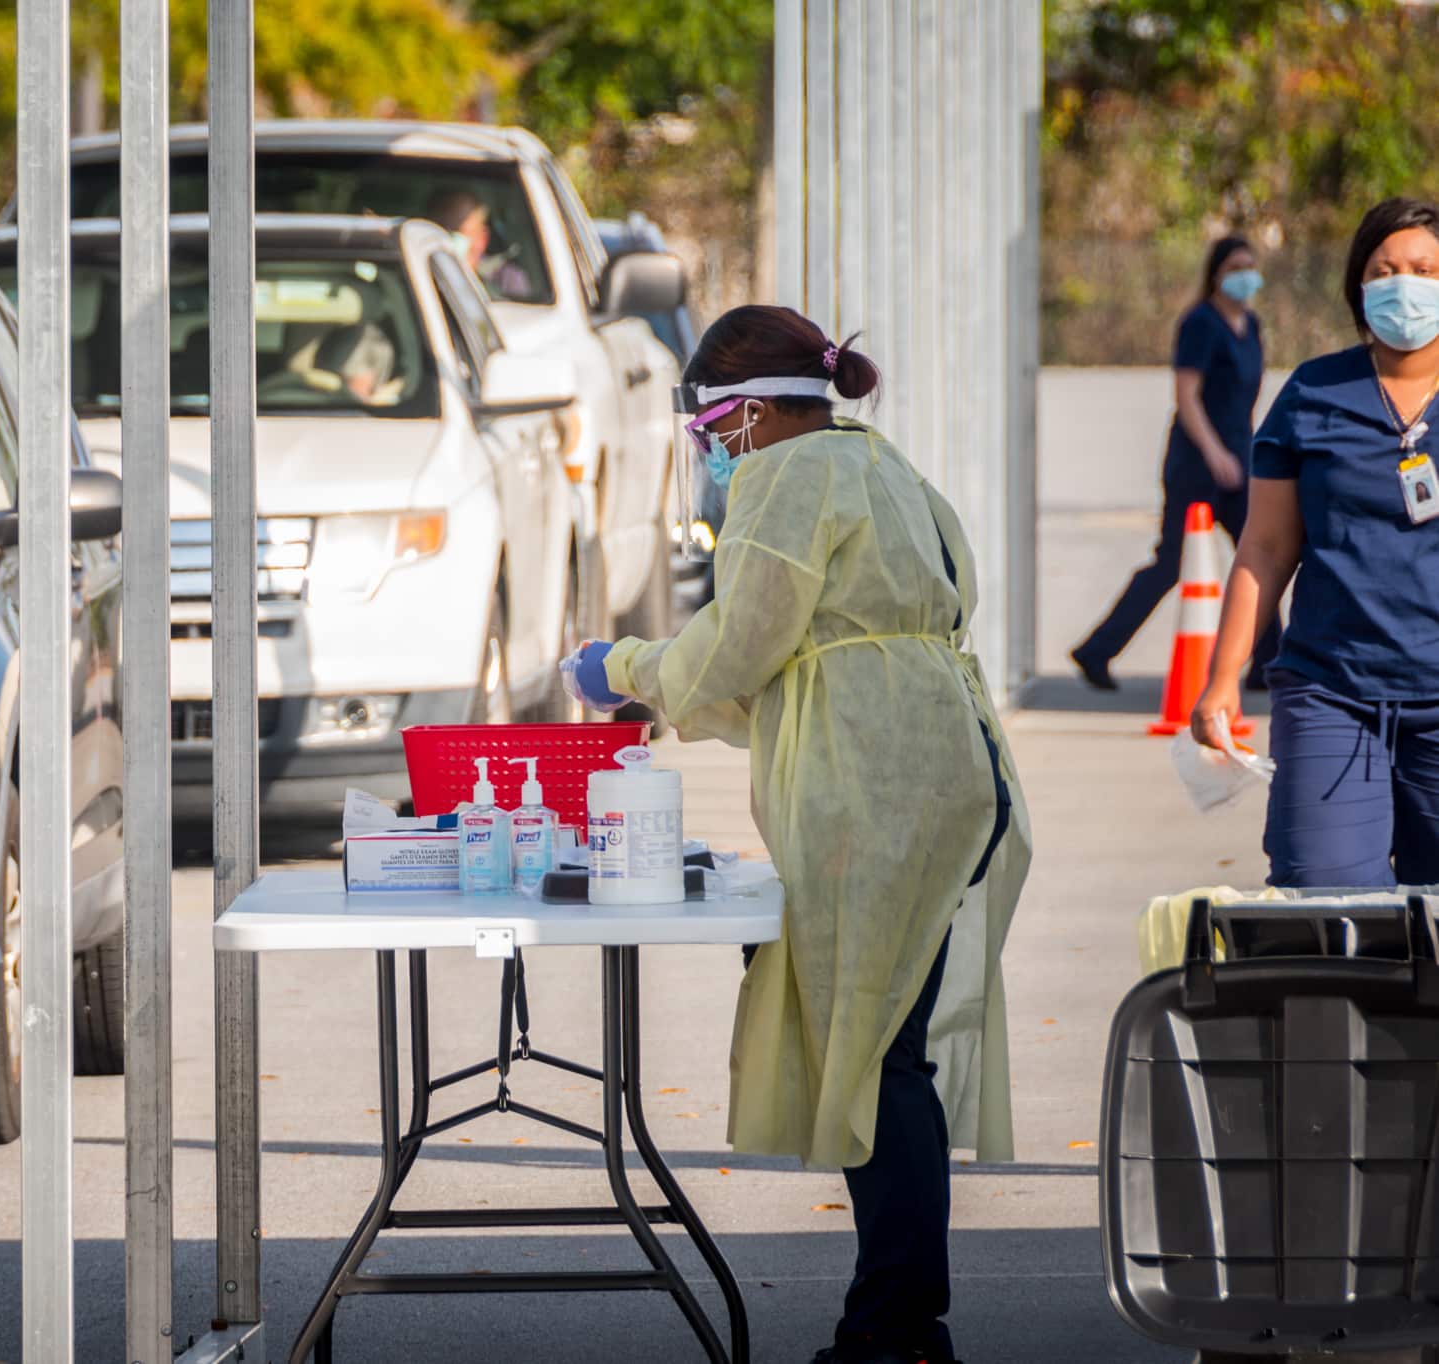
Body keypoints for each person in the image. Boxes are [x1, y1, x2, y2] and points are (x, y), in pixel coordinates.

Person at [563, 306, 1029, 1364]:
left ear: (758, 409)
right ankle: (900, 1322)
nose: (713, 452)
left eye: (716, 427)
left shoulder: (786, 475)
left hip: (874, 785)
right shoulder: (886, 462)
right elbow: (815, 649)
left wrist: (624, 668)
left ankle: (898, 1331)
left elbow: (741, 642)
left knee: (875, 1060)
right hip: (950, 765)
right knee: (889, 1051)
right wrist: (677, 682)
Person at [1192, 197, 1439, 889]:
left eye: (1424, 270)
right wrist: (1220, 683)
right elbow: (1265, 550)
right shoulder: (1313, 394)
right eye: (1385, 270)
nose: (1405, 285)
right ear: (1360, 287)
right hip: (1332, 695)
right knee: (1327, 913)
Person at [1073, 236, 1278, 691]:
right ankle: (1096, 650)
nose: (1245, 275)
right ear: (1217, 272)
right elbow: (1187, 396)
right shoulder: (1201, 323)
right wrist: (1214, 452)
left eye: (1251, 265)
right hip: (1198, 464)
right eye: (1235, 266)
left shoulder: (1253, 324)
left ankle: (1270, 662)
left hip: (1239, 461)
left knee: (1260, 554)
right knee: (1171, 563)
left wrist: (1246, 452)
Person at [422, 188, 533, 300]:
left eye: (461, 233)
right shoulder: (418, 274)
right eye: (445, 231)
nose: (450, 241)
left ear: (483, 238)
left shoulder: (508, 280)